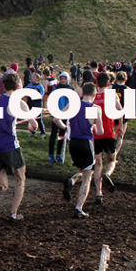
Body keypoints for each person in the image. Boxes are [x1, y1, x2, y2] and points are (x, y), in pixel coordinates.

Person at [0, 73, 38, 220]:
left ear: (4, 85)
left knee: (3, 185)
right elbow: (34, 125)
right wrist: (31, 128)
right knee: (20, 180)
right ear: (18, 87)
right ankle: (13, 213)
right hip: (10, 146)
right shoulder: (20, 103)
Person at [58, 82, 105, 218]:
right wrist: (94, 127)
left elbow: (56, 118)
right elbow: (101, 131)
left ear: (82, 92)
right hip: (86, 142)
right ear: (94, 94)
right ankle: (78, 208)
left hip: (73, 142)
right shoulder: (94, 108)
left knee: (83, 171)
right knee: (87, 178)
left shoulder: (74, 104)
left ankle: (72, 181)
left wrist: (66, 128)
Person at [92, 72, 121, 204]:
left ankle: (99, 193)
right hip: (109, 133)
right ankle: (107, 174)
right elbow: (121, 111)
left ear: (97, 83)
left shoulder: (93, 97)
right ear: (109, 83)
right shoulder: (112, 96)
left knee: (97, 165)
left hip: (96, 134)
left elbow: (90, 118)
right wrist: (120, 126)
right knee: (112, 160)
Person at [47, 71, 73, 164]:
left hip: (66, 116)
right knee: (53, 135)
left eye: (65, 78)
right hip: (57, 114)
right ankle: (51, 154)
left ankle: (58, 154)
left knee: (61, 135)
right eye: (61, 78)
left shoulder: (71, 89)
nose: (63, 80)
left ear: (67, 79)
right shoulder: (56, 89)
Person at [25, 72, 46, 139]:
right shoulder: (29, 86)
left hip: (37, 105)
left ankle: (43, 133)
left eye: (34, 77)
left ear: (38, 79)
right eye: (32, 77)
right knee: (31, 119)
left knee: (39, 119)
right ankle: (32, 132)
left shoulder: (40, 87)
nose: (32, 79)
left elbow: (41, 95)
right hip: (30, 104)